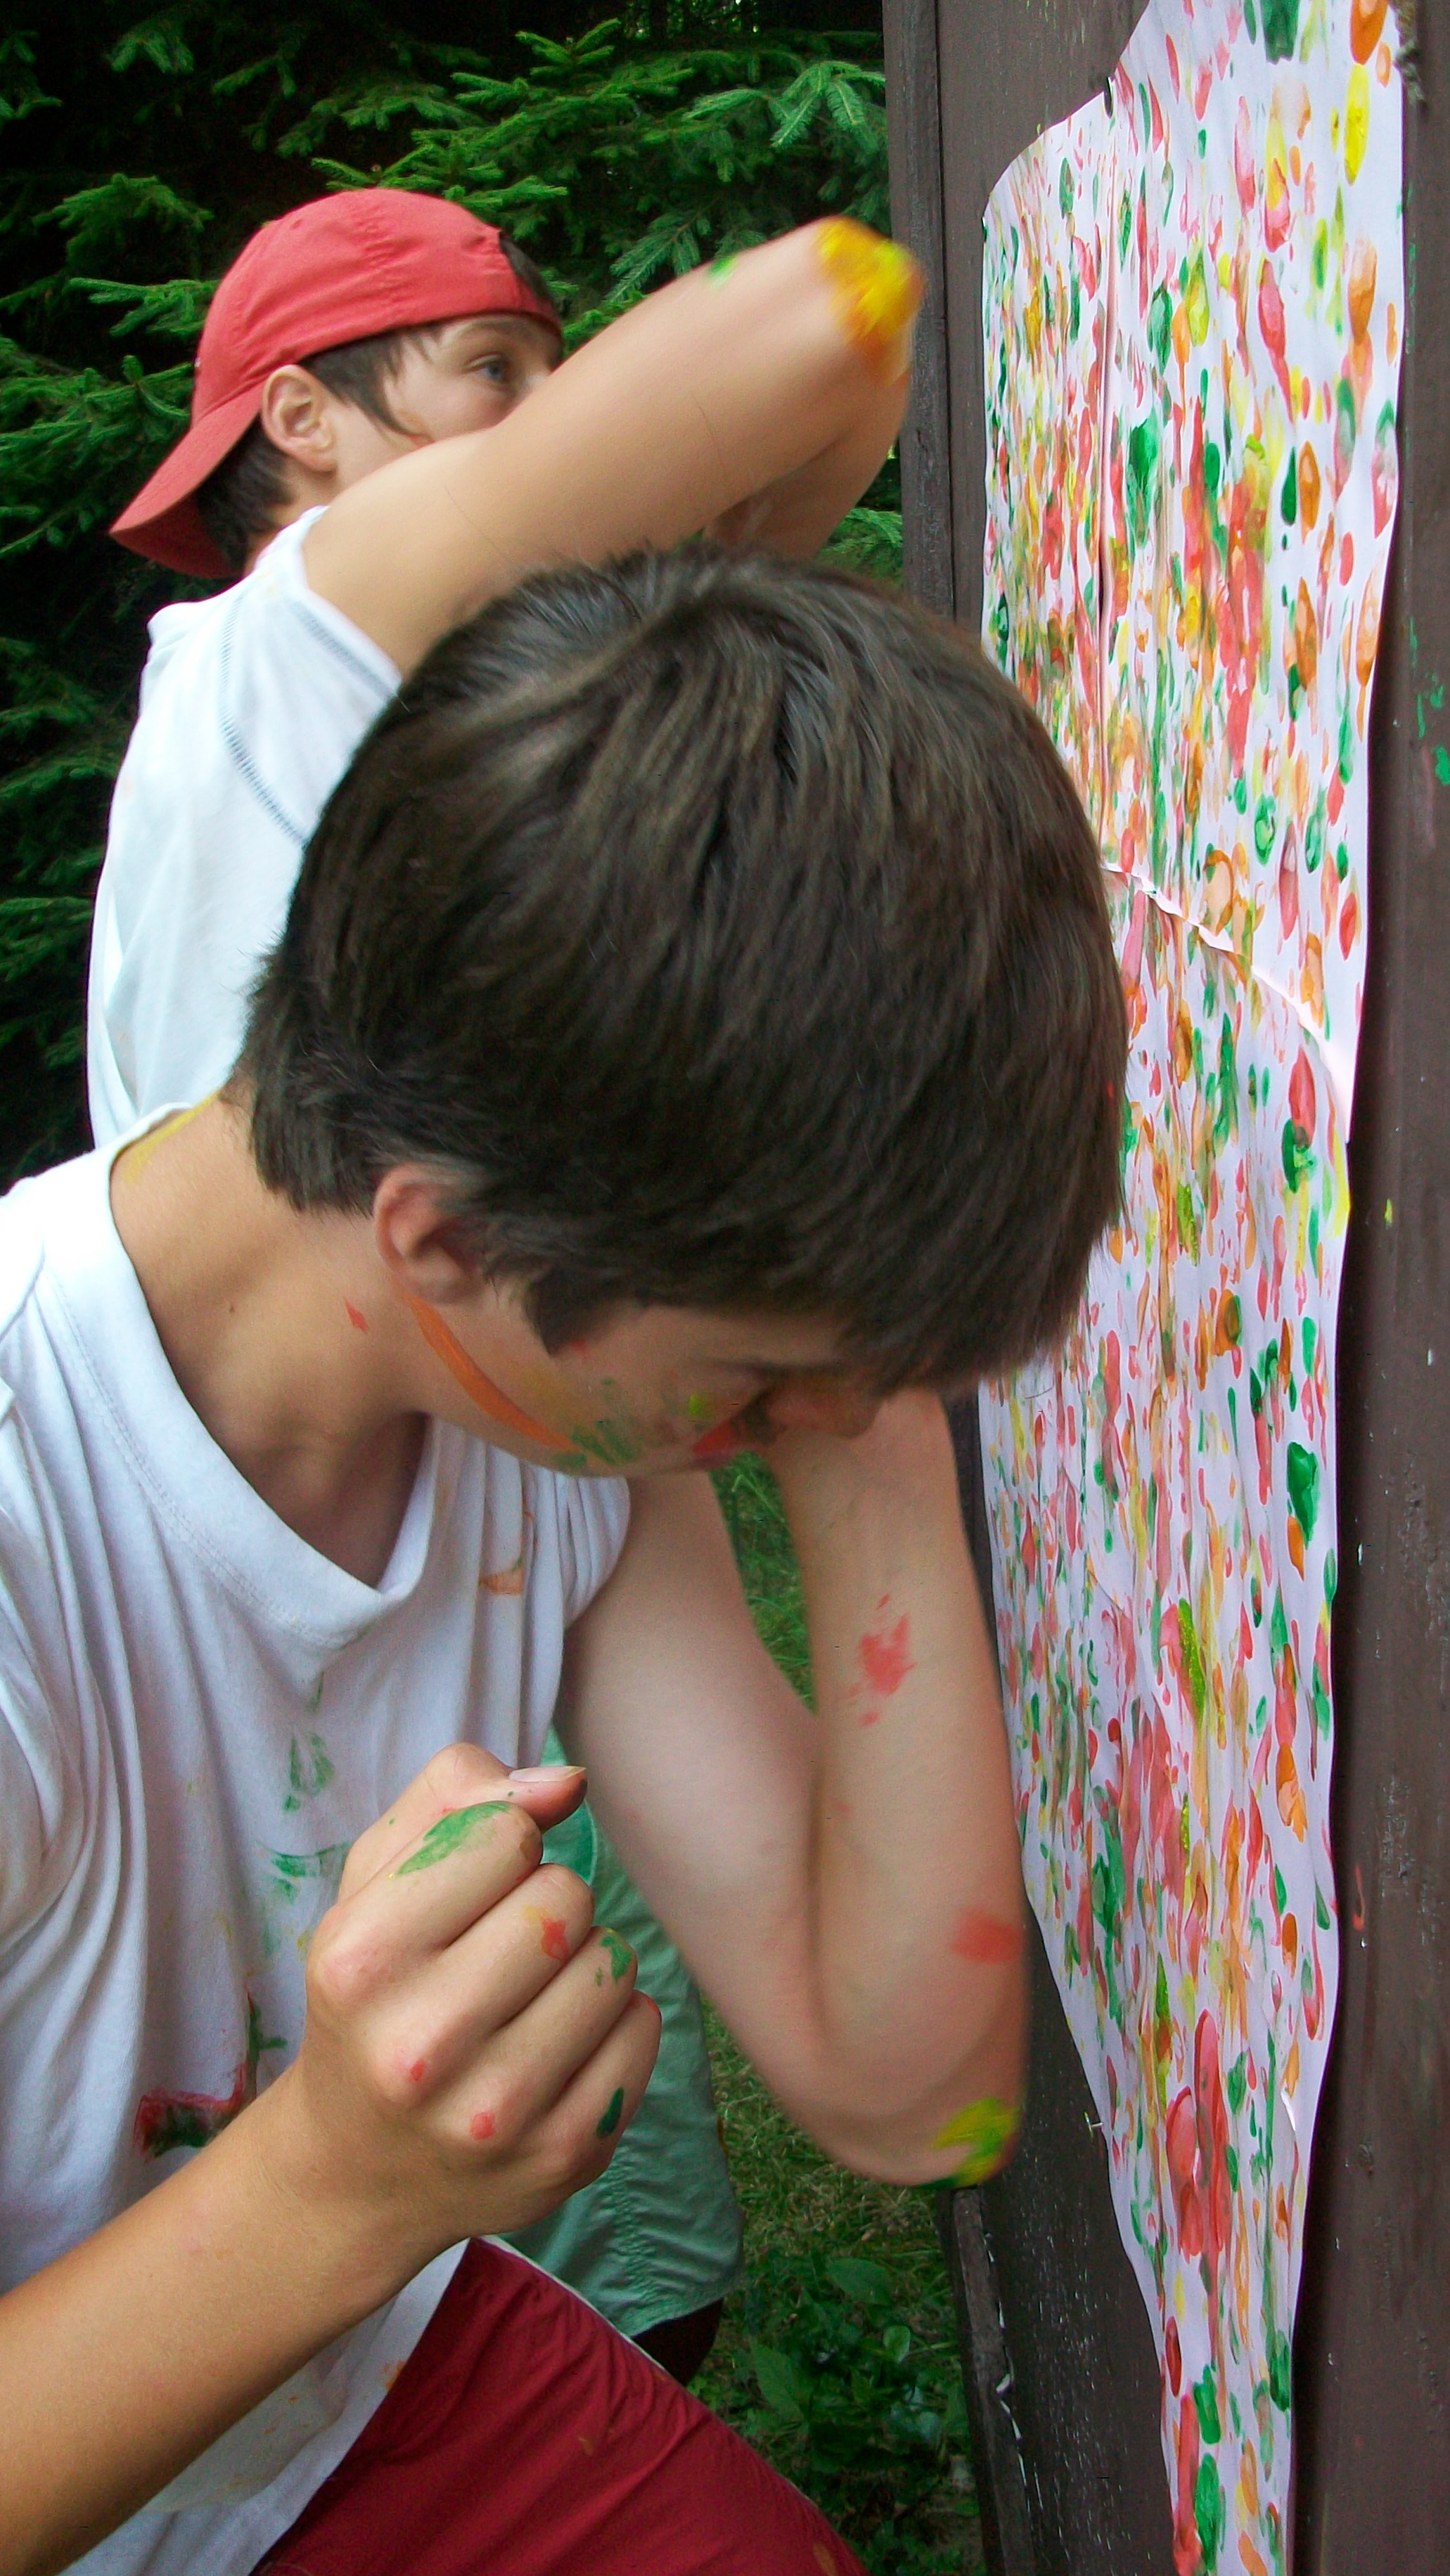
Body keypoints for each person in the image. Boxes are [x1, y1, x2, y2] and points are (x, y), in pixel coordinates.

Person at [0, 543, 1125, 2576]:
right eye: (758, 1384)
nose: (789, 1432)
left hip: (337, 2385)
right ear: (442, 1241)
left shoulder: (535, 1413)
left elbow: (908, 2093)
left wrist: (870, 1388)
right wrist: (332, 2188)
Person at [88, 191, 917, 2376]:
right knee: (540, 2139)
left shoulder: (328, 719)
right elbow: (834, 326)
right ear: (302, 423)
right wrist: (691, 587)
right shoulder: (296, 641)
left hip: (417, 1487)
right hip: (431, 1469)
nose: (550, 421)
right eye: (493, 372)